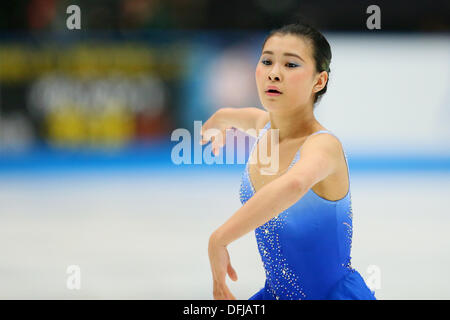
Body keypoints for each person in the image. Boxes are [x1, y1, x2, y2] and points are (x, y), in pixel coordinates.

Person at [201, 22, 376, 300]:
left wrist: (219, 238)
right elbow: (251, 118)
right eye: (267, 61)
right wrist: (221, 117)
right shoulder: (268, 132)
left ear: (319, 81)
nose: (273, 73)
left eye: (291, 65)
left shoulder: (323, 146)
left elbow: (294, 184)